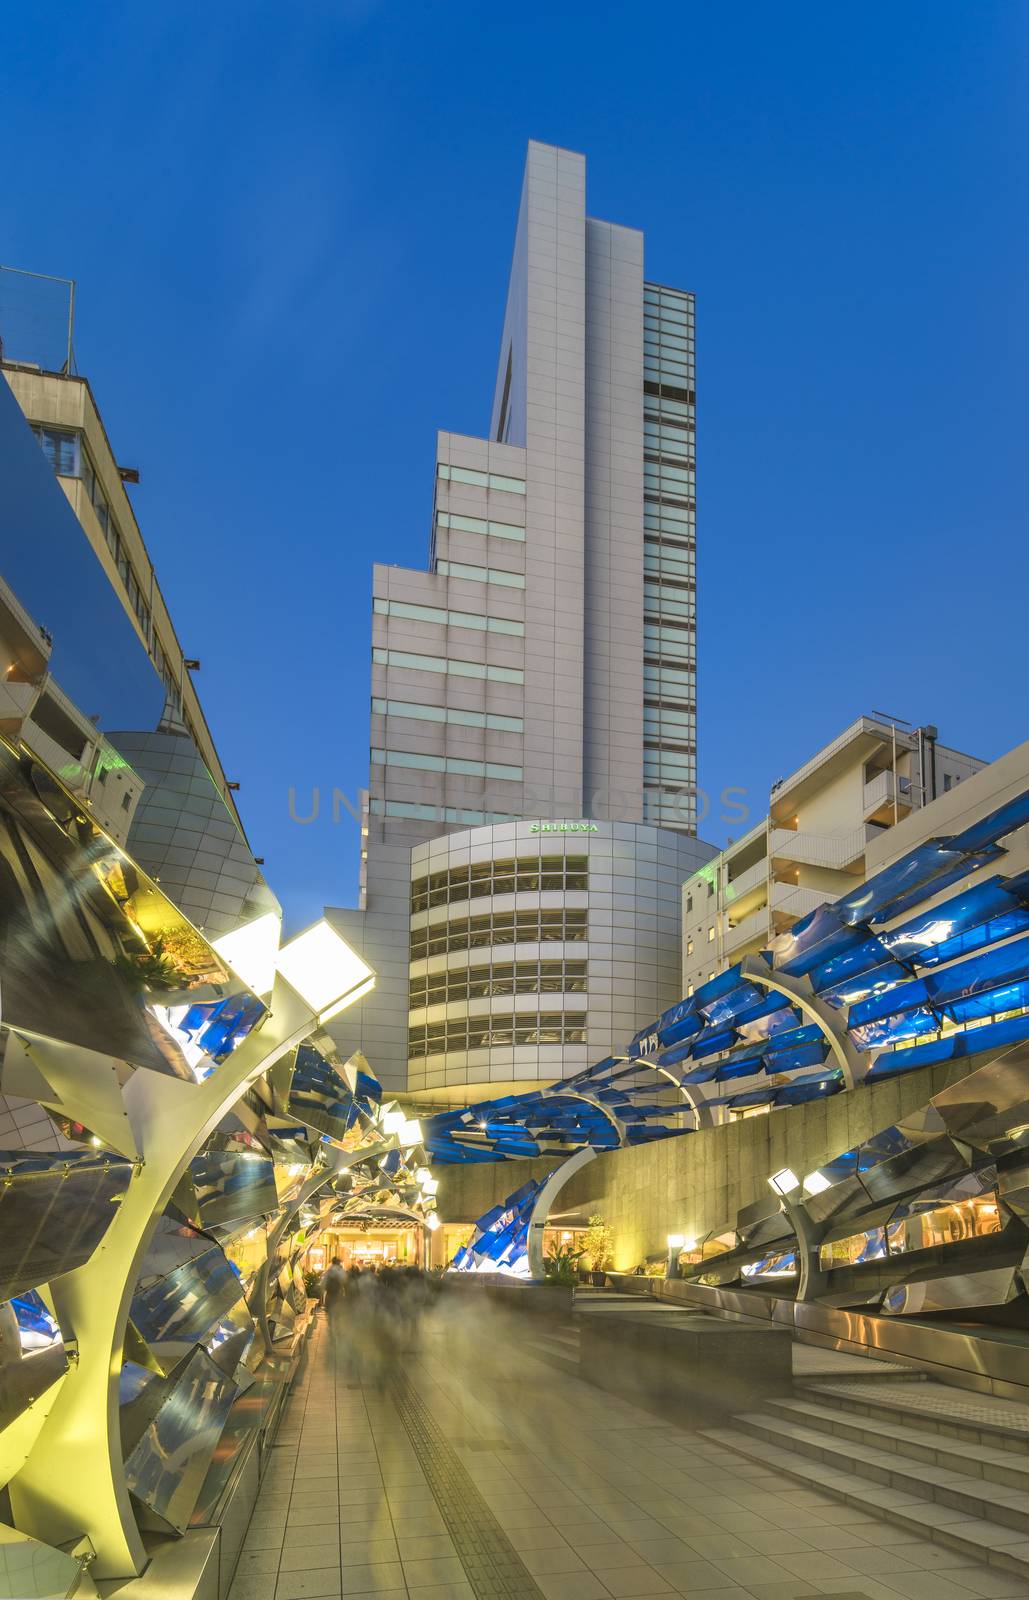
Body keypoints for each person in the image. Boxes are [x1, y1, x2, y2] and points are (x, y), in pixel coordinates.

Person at [321, 1256, 346, 1336]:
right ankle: (337, 1326)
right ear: (338, 1262)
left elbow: (323, 1283)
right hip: (338, 1294)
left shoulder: (329, 1271)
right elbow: (345, 1280)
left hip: (330, 1294)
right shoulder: (340, 1270)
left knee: (329, 1311)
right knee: (338, 1312)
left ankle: (331, 1327)